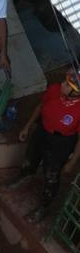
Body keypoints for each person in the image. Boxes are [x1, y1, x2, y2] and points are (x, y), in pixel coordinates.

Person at [11, 69, 80, 214]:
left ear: (76, 93)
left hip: (62, 142)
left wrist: (72, 162)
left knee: (52, 173)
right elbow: (40, 107)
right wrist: (27, 127)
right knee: (31, 156)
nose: (62, 85)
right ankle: (25, 175)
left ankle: (44, 204)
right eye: (65, 81)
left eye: (68, 85)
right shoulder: (54, 89)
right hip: (43, 131)